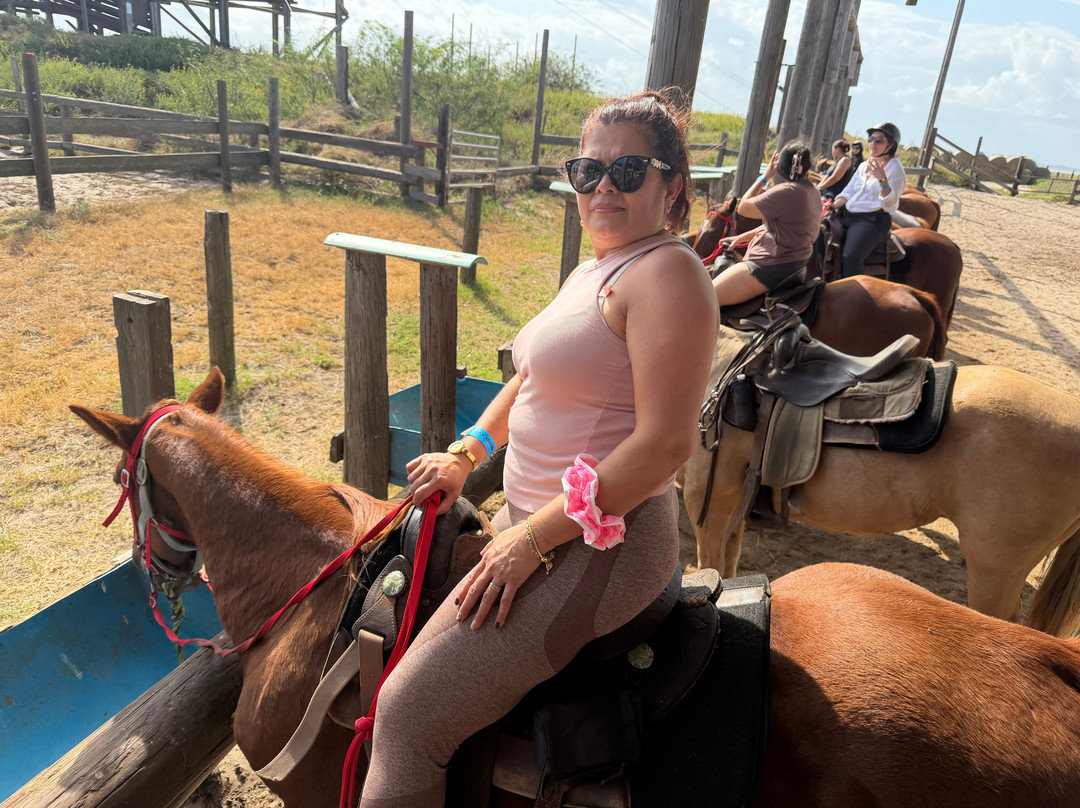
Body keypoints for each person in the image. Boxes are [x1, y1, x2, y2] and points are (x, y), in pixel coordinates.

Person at [359, 92, 719, 808]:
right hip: (539, 521)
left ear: (672, 185)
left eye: (628, 171)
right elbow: (529, 375)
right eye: (589, 171)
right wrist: (469, 451)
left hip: (598, 544)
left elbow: (665, 444)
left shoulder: (668, 275)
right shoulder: (599, 267)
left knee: (406, 713)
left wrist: (531, 537)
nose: (603, 188)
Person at [711, 140, 820, 308]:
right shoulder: (813, 192)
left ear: (781, 165)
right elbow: (784, 227)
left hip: (768, 266)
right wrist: (742, 237)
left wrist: (764, 177)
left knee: (705, 298)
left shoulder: (787, 191)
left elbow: (743, 207)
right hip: (795, 266)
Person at [828, 122, 907, 278]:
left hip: (872, 220)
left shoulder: (895, 169)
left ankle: (851, 295)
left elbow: (889, 205)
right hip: (847, 215)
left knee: (850, 256)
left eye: (879, 140)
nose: (872, 143)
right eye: (871, 139)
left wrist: (882, 180)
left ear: (890, 145)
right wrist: (833, 204)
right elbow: (849, 190)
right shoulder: (864, 165)